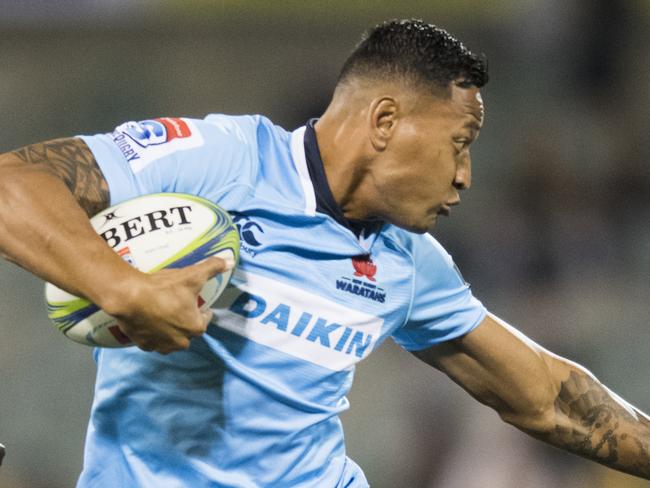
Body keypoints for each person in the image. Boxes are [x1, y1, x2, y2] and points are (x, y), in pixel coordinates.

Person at [0, 18, 647, 487]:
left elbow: (543, 394)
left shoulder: (411, 261)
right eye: (460, 142)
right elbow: (13, 182)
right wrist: (121, 286)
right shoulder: (226, 161)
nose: (466, 176)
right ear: (386, 122)